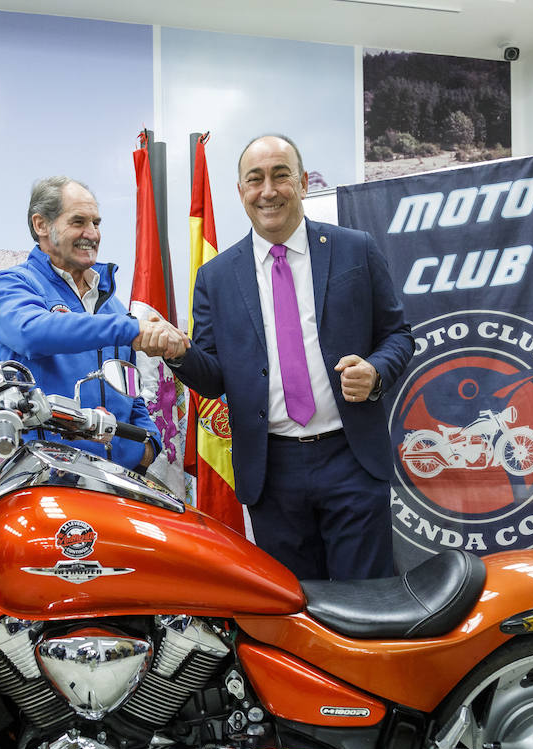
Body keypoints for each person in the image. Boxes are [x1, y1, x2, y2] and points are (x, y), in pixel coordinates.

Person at [169, 135, 415, 580]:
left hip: (352, 459)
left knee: (367, 602)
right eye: (255, 179)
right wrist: (180, 354)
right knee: (294, 604)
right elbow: (214, 378)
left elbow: (397, 335)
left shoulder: (355, 249)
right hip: (271, 471)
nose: (268, 191)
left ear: (302, 182)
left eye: (280, 175)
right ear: (240, 191)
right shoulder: (215, 277)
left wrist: (376, 371)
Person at [0, 176, 186, 471]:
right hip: (49, 478)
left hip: (117, 482)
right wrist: (132, 328)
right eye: (78, 222)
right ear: (41, 225)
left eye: (96, 223)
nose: (92, 234)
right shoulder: (15, 283)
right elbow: (31, 333)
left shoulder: (113, 306)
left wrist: (148, 445)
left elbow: (130, 391)